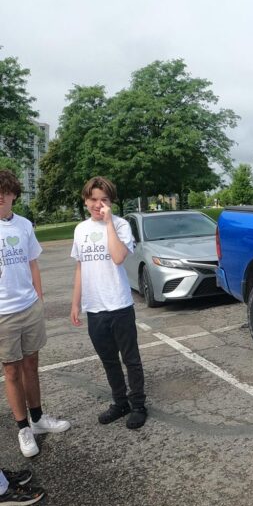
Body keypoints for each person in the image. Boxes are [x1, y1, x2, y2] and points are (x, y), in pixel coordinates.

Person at [0, 169, 70, 457]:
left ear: (13, 194)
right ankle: (22, 428)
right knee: (11, 370)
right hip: (3, 313)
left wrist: (39, 299)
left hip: (28, 307)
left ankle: (38, 419)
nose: (0, 199)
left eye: (3, 194)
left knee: (31, 366)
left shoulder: (24, 226)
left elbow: (33, 264)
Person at [70, 176, 147, 429]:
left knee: (131, 359)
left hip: (119, 305)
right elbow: (80, 267)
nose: (98, 204)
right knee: (109, 360)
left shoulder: (121, 225)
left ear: (111, 202)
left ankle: (137, 404)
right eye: (93, 199)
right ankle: (120, 401)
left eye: (104, 199)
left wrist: (109, 223)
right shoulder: (80, 229)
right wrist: (75, 303)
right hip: (95, 308)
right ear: (85, 200)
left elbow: (117, 257)